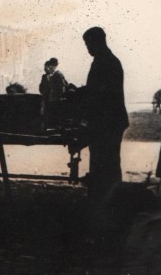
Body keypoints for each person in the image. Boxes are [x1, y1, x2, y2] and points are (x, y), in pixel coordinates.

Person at [77, 27, 129, 206]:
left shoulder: (105, 61)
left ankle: (106, 201)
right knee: (106, 161)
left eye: (88, 43)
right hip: (109, 120)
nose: (87, 48)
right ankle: (107, 199)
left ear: (98, 41)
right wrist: (80, 92)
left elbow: (100, 93)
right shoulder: (106, 60)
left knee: (105, 162)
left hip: (107, 121)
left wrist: (79, 96)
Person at [39, 57, 68, 128]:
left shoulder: (58, 74)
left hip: (55, 100)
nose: (46, 69)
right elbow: (41, 89)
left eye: (48, 67)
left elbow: (63, 86)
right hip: (48, 100)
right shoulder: (45, 76)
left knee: (55, 117)